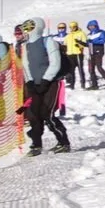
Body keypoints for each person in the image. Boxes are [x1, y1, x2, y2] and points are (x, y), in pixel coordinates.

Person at [18, 18, 71, 157]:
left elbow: (55, 63)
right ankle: (36, 145)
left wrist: (46, 80)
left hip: (51, 83)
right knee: (33, 114)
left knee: (47, 113)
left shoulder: (48, 42)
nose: (26, 31)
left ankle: (63, 142)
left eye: (28, 28)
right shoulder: (25, 46)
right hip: (34, 84)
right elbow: (26, 65)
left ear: (36, 28)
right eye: (25, 28)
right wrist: (29, 81)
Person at [85, 20, 105, 90]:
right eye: (90, 26)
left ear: (96, 26)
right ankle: (94, 85)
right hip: (91, 52)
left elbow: (103, 40)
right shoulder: (89, 35)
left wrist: (93, 41)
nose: (91, 27)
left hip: (99, 52)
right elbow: (88, 44)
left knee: (99, 68)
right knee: (91, 69)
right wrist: (80, 43)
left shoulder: (101, 32)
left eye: (92, 26)